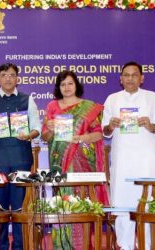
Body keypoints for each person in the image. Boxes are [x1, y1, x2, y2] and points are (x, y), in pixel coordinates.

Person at [41, 70, 109, 249]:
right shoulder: (52, 107)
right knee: (62, 202)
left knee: (80, 202)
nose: (66, 87)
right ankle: (61, 244)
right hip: (59, 162)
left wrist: (81, 138)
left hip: (82, 162)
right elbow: (45, 137)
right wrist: (50, 128)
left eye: (70, 83)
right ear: (58, 87)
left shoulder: (89, 107)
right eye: (62, 84)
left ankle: (82, 245)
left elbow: (98, 134)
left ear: (76, 85)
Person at [0, 63, 41, 250]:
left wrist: (29, 135)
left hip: (21, 161)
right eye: (4, 75)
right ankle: (1, 246)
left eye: (12, 75)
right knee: (0, 209)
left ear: (17, 78)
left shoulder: (27, 100)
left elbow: (37, 128)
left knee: (21, 209)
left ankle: (21, 246)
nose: (8, 78)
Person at [102, 61, 155, 250]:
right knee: (123, 204)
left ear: (141, 78)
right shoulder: (112, 99)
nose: (130, 78)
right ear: (120, 79)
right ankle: (125, 245)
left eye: (134, 75)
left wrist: (149, 125)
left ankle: (148, 245)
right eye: (126, 75)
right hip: (122, 160)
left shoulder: (152, 98)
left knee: (147, 204)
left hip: (146, 161)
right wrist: (111, 125)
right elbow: (105, 131)